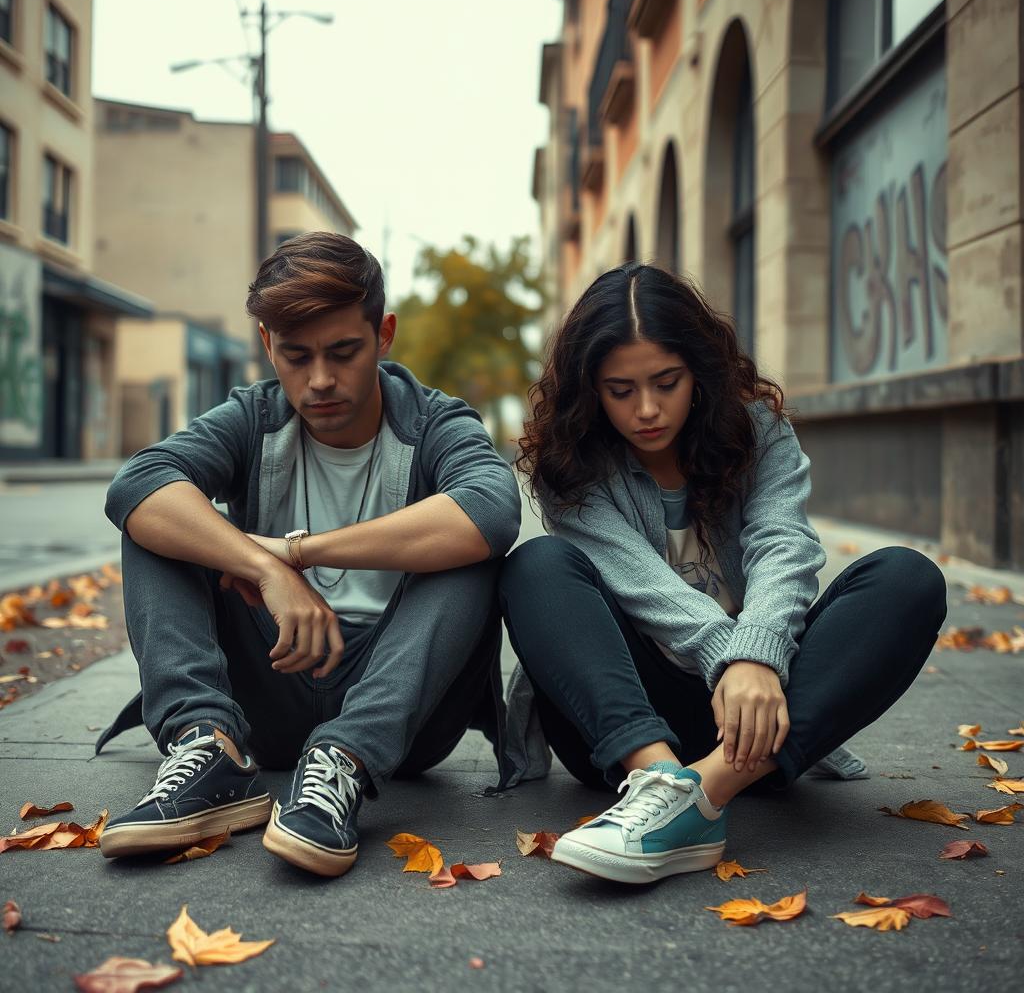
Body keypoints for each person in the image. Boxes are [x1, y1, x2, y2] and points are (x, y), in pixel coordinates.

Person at [499, 263, 946, 884]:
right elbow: (637, 581)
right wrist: (735, 655)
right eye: (620, 390)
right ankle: (658, 782)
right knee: (536, 565)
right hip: (626, 725)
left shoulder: (757, 431)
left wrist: (759, 659)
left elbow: (781, 544)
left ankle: (701, 795)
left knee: (908, 579)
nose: (647, 409)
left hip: (755, 715)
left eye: (667, 381)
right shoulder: (571, 463)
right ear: (589, 389)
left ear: (700, 373)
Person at [95, 232, 520, 878]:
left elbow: (492, 507)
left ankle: (342, 764)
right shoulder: (253, 418)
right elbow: (136, 483)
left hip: (402, 711)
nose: (320, 381)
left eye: (344, 352)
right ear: (268, 345)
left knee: (470, 547)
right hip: (270, 684)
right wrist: (265, 569)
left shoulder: (435, 421)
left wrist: (299, 551)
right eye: (295, 357)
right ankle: (206, 751)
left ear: (384, 334)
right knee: (157, 517)